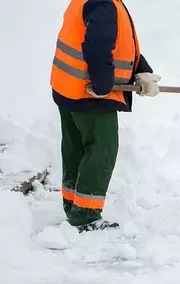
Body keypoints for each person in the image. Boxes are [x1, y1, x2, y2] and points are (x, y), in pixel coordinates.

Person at [50, 0, 161, 233]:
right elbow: (98, 46)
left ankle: (73, 206)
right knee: (103, 147)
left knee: (75, 147)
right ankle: (86, 216)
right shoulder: (103, 3)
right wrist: (102, 86)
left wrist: (142, 70)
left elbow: (119, 41)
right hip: (89, 92)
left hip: (68, 86)